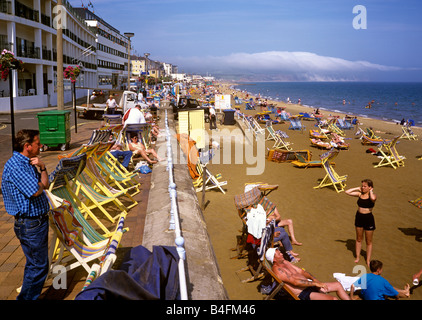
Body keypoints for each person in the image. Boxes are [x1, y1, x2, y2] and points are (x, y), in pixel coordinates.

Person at [1, 129, 50, 300]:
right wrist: (40, 185)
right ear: (27, 146)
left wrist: (42, 167)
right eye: (37, 143)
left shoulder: (28, 162)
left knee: (36, 265)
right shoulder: (17, 166)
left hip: (36, 221)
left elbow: (45, 184)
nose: (40, 146)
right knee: (38, 266)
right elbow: (36, 191)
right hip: (30, 224)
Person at [265, 248, 350, 300]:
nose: (282, 254)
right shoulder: (278, 271)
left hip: (309, 285)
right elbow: (295, 282)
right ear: (274, 259)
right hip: (302, 293)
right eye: (279, 254)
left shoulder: (285, 262)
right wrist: (315, 283)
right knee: (333, 299)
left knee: (338, 285)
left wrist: (314, 279)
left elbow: (301, 271)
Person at [345, 179, 377, 266]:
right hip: (359, 217)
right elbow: (347, 192)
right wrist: (357, 188)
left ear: (370, 187)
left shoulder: (373, 196)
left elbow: (373, 198)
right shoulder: (359, 194)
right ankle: (358, 257)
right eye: (362, 186)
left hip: (368, 218)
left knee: (368, 241)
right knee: (359, 238)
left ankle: (368, 259)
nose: (363, 188)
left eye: (365, 186)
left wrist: (371, 191)